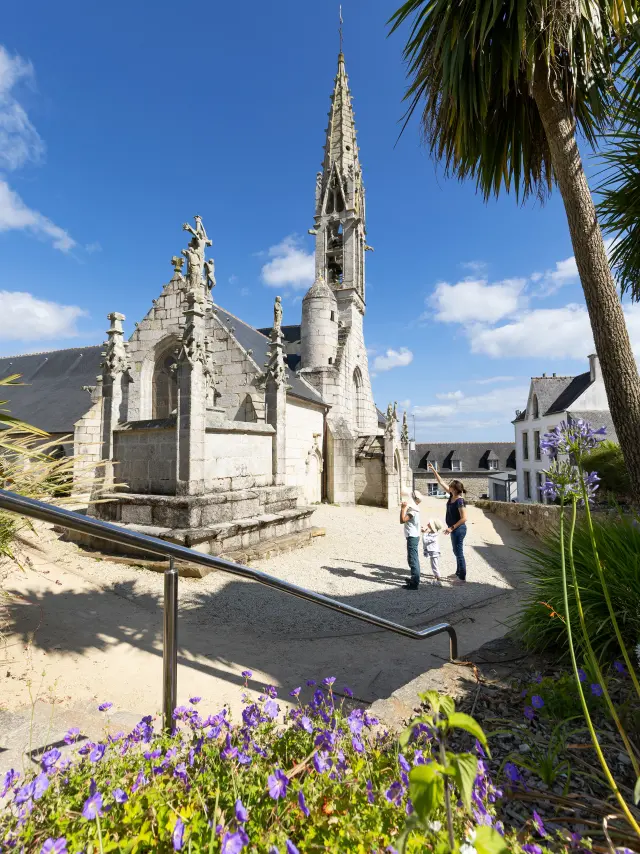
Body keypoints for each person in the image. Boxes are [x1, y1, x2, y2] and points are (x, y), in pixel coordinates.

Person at [427, 464, 468, 584]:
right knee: (456, 551)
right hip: (454, 529)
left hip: (459, 530)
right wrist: (434, 470)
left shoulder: (460, 501)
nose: (448, 488)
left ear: (454, 489)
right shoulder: (452, 496)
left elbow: (464, 518)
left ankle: (462, 578)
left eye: (450, 487)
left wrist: (452, 528)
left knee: (459, 552)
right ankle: (458, 573)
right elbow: (440, 481)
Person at [399, 489, 423, 590]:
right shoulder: (415, 508)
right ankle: (415, 579)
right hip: (414, 536)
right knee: (412, 558)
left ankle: (414, 583)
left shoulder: (412, 511)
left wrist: (403, 508)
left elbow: (402, 520)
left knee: (413, 559)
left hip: (412, 536)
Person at [421, 518, 444, 586]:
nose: (428, 523)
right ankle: (436, 576)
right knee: (433, 565)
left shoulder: (434, 535)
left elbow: (425, 541)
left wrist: (424, 533)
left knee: (434, 566)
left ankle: (438, 579)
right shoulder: (432, 532)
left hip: (434, 553)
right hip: (432, 553)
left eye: (430, 524)